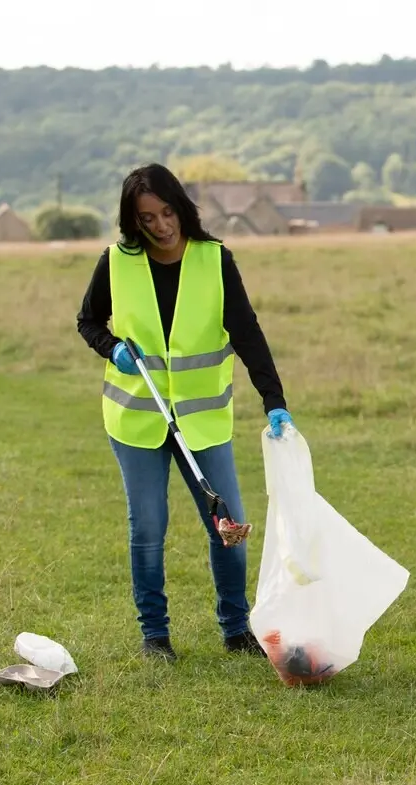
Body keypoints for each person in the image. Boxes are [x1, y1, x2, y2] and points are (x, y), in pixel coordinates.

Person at [75, 162, 296, 662]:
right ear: (134, 222)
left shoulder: (215, 260)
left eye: (167, 212)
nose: (160, 226)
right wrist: (111, 349)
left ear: (182, 207)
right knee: (148, 528)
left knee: (229, 525)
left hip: (202, 420)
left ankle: (236, 628)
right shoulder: (116, 262)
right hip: (137, 418)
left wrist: (274, 402)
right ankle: (155, 635)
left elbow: (248, 335)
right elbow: (88, 320)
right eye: (146, 218)